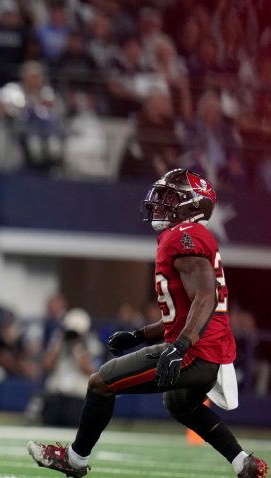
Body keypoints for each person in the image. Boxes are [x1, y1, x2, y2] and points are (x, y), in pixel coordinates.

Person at [27, 169, 268, 478]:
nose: (160, 203)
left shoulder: (185, 236)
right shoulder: (187, 237)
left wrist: (181, 344)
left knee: (102, 382)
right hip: (210, 349)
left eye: (171, 197)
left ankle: (74, 460)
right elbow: (181, 313)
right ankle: (243, 463)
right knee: (180, 404)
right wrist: (139, 334)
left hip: (196, 350)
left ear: (193, 206)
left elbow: (205, 298)